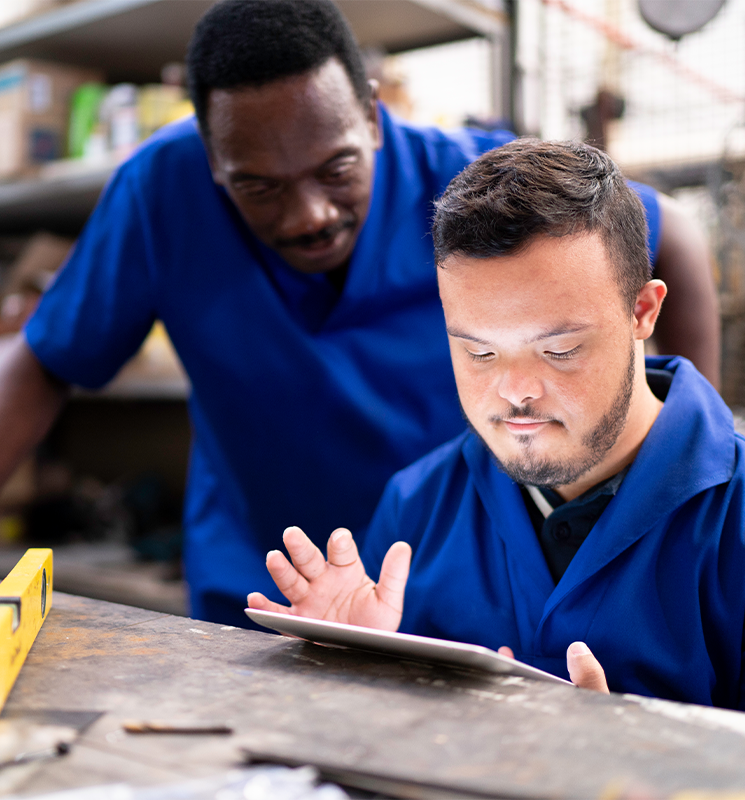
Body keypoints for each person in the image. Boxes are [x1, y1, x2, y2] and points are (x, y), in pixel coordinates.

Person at [0, 1, 721, 628]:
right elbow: (45, 359)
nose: (309, 214)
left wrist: (678, 462)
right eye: (259, 187)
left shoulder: (465, 186)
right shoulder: (161, 191)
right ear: (211, 160)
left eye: (337, 169)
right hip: (262, 583)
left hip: (446, 588)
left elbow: (673, 235)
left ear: (374, 118)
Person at [248, 139, 745, 708]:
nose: (515, 391)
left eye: (559, 350)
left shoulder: (735, 518)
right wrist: (354, 680)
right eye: (478, 353)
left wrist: (637, 752)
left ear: (643, 311)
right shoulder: (416, 507)